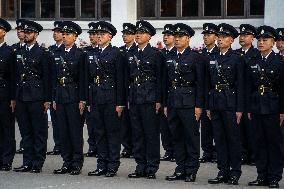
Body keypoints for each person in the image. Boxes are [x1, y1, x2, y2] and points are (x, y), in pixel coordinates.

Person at [164, 23, 205, 182]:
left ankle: (191, 170)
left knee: (191, 136)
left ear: (188, 38)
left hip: (189, 102)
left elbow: (200, 84)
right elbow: (165, 82)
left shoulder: (196, 57)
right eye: (176, 36)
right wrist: (166, 104)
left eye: (180, 36)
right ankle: (180, 168)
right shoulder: (170, 56)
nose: (177, 39)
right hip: (173, 101)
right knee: (176, 136)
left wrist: (199, 105)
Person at [207, 23, 245, 185]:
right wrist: (209, 105)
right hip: (215, 103)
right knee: (219, 139)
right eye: (219, 37)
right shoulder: (213, 57)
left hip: (230, 103)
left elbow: (241, 85)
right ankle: (222, 171)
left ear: (231, 40)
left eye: (224, 37)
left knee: (233, 139)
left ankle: (235, 172)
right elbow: (208, 83)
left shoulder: (236, 59)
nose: (220, 39)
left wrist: (239, 109)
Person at [86, 21, 125, 177]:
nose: (99, 36)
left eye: (102, 34)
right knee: (99, 132)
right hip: (96, 97)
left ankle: (112, 165)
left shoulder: (116, 54)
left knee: (112, 132)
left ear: (110, 36)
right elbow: (89, 79)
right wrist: (88, 100)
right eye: (98, 34)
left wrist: (120, 103)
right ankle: (101, 164)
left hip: (110, 98)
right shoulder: (92, 53)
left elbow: (121, 80)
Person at [247, 25, 284, 188]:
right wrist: (248, 107)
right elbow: (248, 87)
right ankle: (262, 175)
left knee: (274, 142)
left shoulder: (279, 61)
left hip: (273, 107)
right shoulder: (253, 61)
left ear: (273, 42)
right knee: (258, 141)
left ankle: (274, 176)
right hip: (256, 107)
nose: (261, 42)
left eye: (265, 40)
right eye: (259, 40)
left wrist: (282, 110)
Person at [13, 20, 51, 173]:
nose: (26, 34)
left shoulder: (42, 53)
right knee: (25, 131)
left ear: (36, 34)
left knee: (38, 131)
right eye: (25, 32)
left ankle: (37, 162)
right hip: (22, 95)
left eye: (29, 32)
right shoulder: (19, 52)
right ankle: (27, 162)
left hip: (36, 96)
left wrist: (47, 99)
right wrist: (14, 97)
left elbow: (47, 78)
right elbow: (15, 76)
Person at [127, 20, 163, 179]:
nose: (138, 35)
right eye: (137, 32)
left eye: (141, 33)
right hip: (135, 96)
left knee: (150, 133)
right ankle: (140, 165)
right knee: (137, 134)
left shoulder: (156, 54)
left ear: (149, 36)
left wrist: (159, 100)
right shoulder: (130, 54)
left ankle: (151, 167)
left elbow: (161, 79)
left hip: (150, 97)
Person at [52, 21, 85, 175]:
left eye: (68, 34)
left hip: (73, 96)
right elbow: (53, 78)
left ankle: (77, 162)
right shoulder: (57, 54)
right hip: (60, 96)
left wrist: (82, 99)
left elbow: (83, 80)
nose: (64, 37)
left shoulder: (80, 55)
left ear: (75, 37)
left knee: (74, 131)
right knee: (63, 131)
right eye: (63, 34)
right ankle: (66, 161)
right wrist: (53, 97)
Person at [235, 24, 259, 165]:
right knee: (239, 128)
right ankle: (243, 153)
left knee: (252, 128)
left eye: (246, 35)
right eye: (241, 35)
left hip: (251, 97)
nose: (242, 38)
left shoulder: (256, 55)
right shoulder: (235, 54)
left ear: (253, 38)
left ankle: (254, 155)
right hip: (237, 96)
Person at [199, 23, 219, 163]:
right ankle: (207, 152)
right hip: (204, 93)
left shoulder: (219, 52)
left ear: (216, 37)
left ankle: (217, 152)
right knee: (205, 125)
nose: (206, 37)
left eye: (209, 35)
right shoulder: (202, 54)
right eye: (204, 35)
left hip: (216, 93)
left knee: (216, 125)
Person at [0, 18, 16, 171]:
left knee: (6, 128)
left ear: (4, 32)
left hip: (4, 94)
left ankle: (6, 160)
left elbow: (13, 77)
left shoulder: (10, 52)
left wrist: (12, 97)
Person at [119, 23, 136, 158]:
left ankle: (135, 146)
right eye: (124, 34)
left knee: (135, 120)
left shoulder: (137, 50)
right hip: (124, 88)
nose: (125, 36)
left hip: (135, 88)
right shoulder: (120, 51)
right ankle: (127, 146)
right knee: (124, 119)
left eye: (128, 34)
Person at [46, 21, 63, 156]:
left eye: (59, 32)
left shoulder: (67, 50)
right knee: (56, 120)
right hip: (54, 88)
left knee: (64, 120)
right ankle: (58, 145)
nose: (56, 34)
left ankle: (64, 146)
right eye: (55, 32)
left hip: (65, 89)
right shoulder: (50, 50)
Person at [83, 22, 100, 158]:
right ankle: (92, 146)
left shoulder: (100, 51)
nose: (92, 36)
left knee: (99, 122)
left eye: (94, 34)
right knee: (90, 122)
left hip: (102, 90)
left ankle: (99, 147)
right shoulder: (86, 52)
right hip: (90, 90)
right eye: (91, 34)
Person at [159, 24, 175, 162]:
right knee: (164, 126)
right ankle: (168, 150)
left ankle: (176, 151)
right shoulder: (161, 53)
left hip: (177, 93)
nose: (165, 37)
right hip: (164, 93)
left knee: (174, 125)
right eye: (164, 35)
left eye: (168, 35)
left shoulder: (177, 53)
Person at [12, 19, 27, 155]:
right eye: (18, 30)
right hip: (19, 89)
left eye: (22, 31)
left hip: (32, 91)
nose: (20, 33)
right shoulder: (14, 49)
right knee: (22, 122)